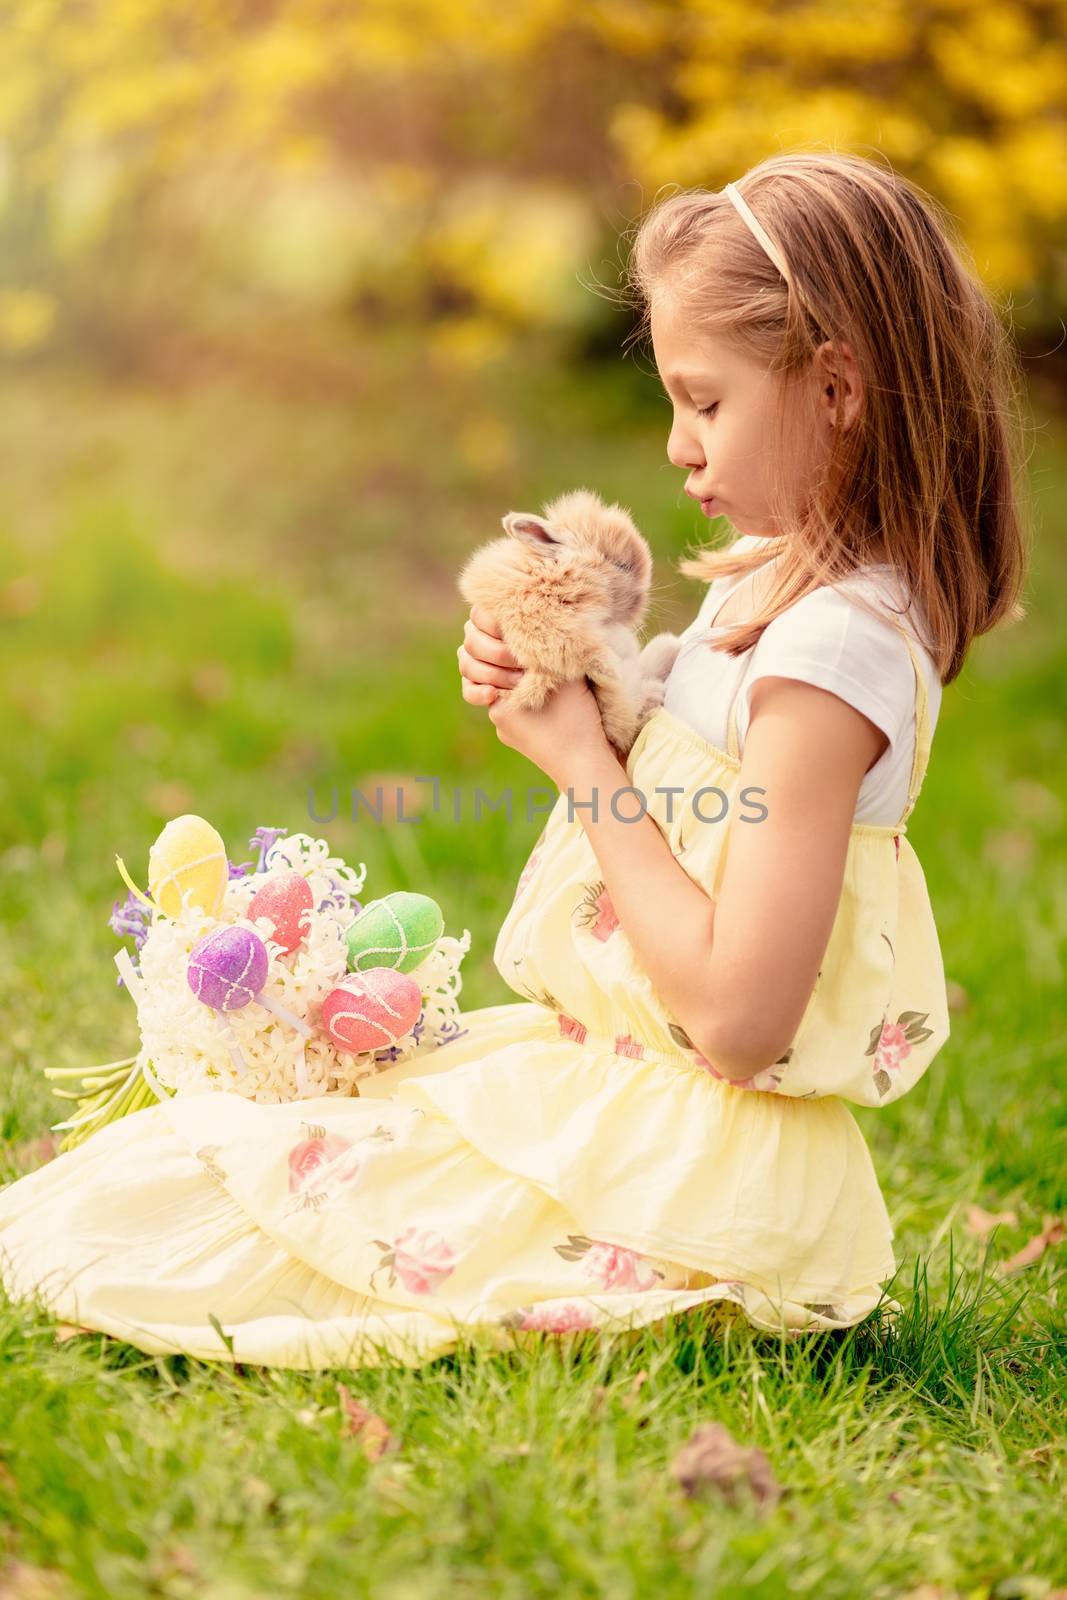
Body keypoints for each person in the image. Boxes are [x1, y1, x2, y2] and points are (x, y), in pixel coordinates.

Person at [0, 152, 1029, 1370]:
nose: (674, 445)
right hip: (622, 1096)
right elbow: (690, 791)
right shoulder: (772, 584)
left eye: (705, 402)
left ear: (836, 388)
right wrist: (576, 672)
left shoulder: (830, 654)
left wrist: (578, 762)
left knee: (221, 1211)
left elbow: (742, 1019)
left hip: (690, 1170)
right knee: (237, 1151)